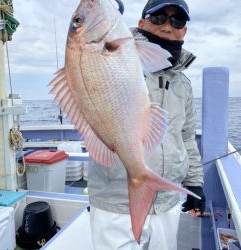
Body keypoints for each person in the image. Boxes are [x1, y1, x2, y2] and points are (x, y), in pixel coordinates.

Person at [88, 0, 205, 249]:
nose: (167, 26)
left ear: (184, 31)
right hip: (115, 203)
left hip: (166, 201)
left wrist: (195, 181)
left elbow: (185, 137)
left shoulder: (183, 84)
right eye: (159, 18)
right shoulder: (119, 58)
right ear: (141, 23)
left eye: (177, 21)